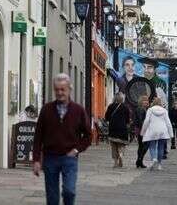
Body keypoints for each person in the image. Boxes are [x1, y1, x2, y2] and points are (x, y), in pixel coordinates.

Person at [32, 73, 91, 205]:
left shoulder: (78, 110)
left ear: (69, 89)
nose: (59, 93)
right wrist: (36, 160)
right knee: (52, 197)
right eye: (57, 89)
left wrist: (76, 150)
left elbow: (88, 136)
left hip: (69, 158)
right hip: (50, 158)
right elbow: (38, 136)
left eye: (62, 89)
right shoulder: (46, 110)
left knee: (70, 191)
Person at [140, 97, 173, 170]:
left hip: (152, 130)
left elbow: (146, 121)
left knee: (152, 146)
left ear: (153, 103)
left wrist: (143, 132)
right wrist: (171, 134)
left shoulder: (150, 110)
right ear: (160, 103)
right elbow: (168, 123)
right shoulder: (164, 111)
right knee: (161, 147)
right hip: (162, 131)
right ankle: (159, 165)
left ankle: (154, 158)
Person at [105, 92, 130, 168]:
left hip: (113, 128)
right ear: (122, 99)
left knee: (114, 146)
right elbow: (127, 120)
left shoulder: (111, 106)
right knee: (121, 145)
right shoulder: (126, 107)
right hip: (122, 129)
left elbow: (107, 117)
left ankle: (115, 162)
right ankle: (121, 155)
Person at [133, 95, 150, 168]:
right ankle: (139, 160)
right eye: (145, 100)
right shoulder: (141, 109)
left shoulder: (142, 109)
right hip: (142, 129)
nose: (146, 102)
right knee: (145, 145)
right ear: (141, 102)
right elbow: (140, 121)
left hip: (140, 129)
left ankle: (139, 161)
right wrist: (145, 128)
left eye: (147, 100)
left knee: (141, 146)